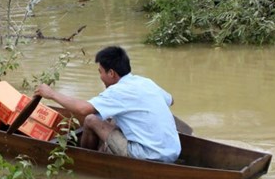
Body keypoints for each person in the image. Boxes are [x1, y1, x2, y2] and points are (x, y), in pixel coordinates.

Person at [35, 46, 181, 163]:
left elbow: (83, 109)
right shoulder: (145, 82)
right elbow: (171, 100)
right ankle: (105, 150)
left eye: (101, 72)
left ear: (111, 73)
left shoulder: (118, 91)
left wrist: (52, 94)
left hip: (148, 155)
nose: (100, 77)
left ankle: (87, 163)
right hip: (173, 152)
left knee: (91, 120)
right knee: (113, 117)